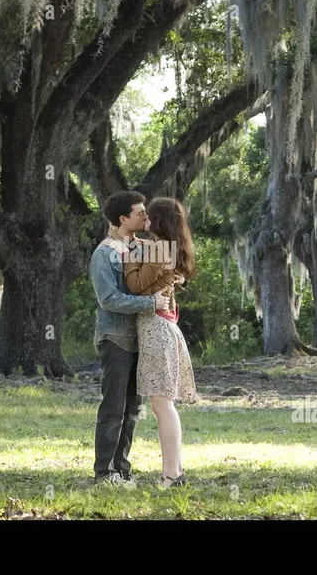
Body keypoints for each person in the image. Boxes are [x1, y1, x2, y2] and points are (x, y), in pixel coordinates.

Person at [89, 191, 171, 485]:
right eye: (140, 214)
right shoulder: (104, 254)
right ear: (123, 219)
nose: (146, 218)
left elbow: (154, 278)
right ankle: (105, 472)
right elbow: (108, 299)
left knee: (133, 407)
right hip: (116, 338)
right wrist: (151, 304)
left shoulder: (143, 247)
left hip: (142, 338)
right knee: (114, 406)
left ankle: (122, 469)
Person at [124, 197, 197, 488]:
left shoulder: (157, 248)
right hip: (162, 326)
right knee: (162, 404)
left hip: (156, 329)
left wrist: (130, 254)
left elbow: (135, 286)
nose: (145, 222)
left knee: (162, 404)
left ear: (159, 220)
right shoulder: (169, 247)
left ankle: (172, 473)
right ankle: (172, 470)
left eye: (149, 217)